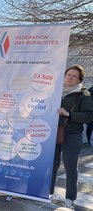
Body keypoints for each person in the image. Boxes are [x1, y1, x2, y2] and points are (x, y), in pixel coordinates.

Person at [50, 64, 93, 209]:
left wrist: (69, 114)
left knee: (70, 167)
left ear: (79, 79)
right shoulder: (54, 91)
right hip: (52, 134)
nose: (70, 78)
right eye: (69, 74)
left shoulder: (84, 94)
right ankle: (48, 193)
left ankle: (70, 199)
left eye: (74, 76)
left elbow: (89, 116)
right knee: (52, 165)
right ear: (64, 76)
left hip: (72, 135)